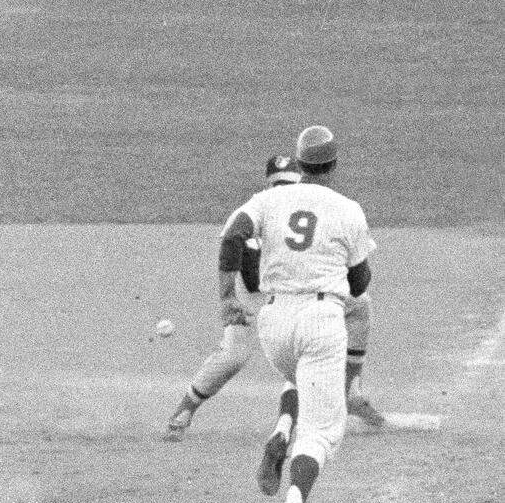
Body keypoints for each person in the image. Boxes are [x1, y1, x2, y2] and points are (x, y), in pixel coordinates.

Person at [219, 124, 376, 503]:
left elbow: (233, 236)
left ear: (301, 162)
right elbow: (360, 282)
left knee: (302, 380)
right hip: (319, 322)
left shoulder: (268, 199)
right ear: (334, 164)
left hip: (273, 324)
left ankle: (281, 429)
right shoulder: (348, 209)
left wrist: (226, 298)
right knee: (324, 431)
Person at [164, 153, 384, 441]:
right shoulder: (272, 209)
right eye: (277, 183)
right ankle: (187, 410)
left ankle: (349, 390)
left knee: (358, 306)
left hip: (278, 293)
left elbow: (236, 239)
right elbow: (253, 276)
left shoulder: (267, 207)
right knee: (239, 355)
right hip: (258, 293)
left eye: (286, 183)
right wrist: (231, 299)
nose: (281, 188)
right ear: (269, 184)